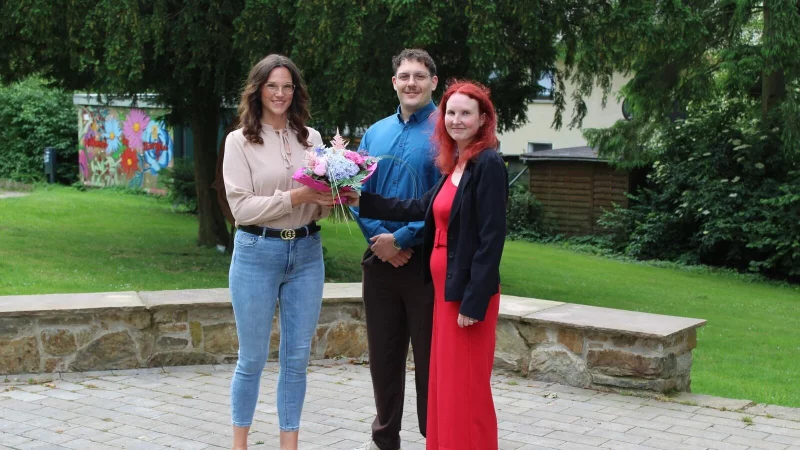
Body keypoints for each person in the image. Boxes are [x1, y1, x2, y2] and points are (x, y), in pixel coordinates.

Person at [345, 80, 508, 450]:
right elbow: (417, 207)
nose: (456, 119)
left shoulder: (488, 164)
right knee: (445, 388)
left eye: (466, 113)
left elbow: (491, 238)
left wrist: (474, 300)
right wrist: (361, 200)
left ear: (483, 118)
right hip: (444, 295)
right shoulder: (457, 164)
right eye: (451, 112)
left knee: (467, 390)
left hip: (465, 299)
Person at [223, 54, 335, 450]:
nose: (280, 94)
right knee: (251, 359)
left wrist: (335, 198)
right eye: (272, 85)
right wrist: (297, 196)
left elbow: (317, 202)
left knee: (296, 360)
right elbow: (241, 209)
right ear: (258, 90)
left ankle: (290, 444)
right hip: (256, 252)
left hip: (306, 252)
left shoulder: (313, 139)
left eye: (287, 86)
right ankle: (241, 445)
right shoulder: (239, 141)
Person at [350, 49, 442, 450]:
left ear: (433, 82)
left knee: (429, 360)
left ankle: (433, 437)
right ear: (394, 82)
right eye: (404, 76)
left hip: (425, 263)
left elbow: (445, 201)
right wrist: (380, 242)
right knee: (383, 356)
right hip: (379, 261)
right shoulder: (375, 132)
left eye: (419, 76)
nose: (411, 83)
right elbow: (357, 193)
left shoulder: (447, 129)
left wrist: (402, 239)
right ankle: (384, 438)